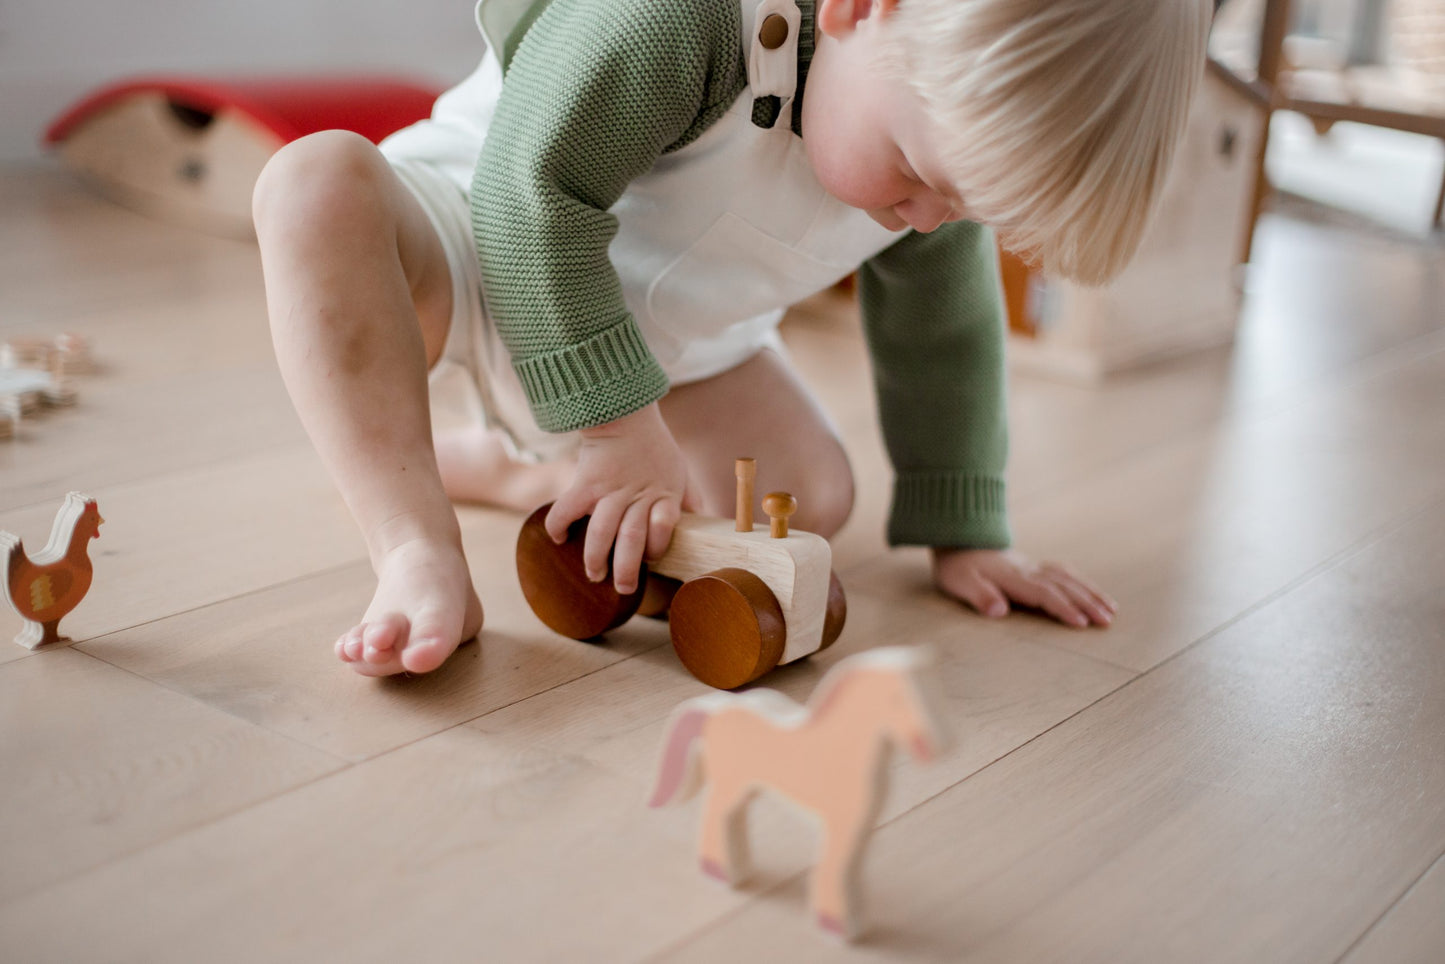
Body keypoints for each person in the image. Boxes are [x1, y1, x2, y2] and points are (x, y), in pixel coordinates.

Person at [251, 0, 1211, 676]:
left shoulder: (929, 177)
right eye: (920, 176)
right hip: (475, 244)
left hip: (674, 353)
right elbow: (526, 196)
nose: (927, 220)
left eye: (965, 207)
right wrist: (618, 427)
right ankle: (413, 541)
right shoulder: (688, 18)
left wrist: (963, 529)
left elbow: (944, 331)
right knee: (312, 189)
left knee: (812, 498)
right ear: (858, 8)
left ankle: (524, 470)